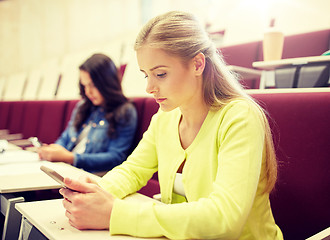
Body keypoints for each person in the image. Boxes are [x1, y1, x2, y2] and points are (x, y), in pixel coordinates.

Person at [59, 11, 283, 239]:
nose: (149, 88)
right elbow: (133, 170)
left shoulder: (240, 117)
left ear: (197, 64)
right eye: (146, 75)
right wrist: (94, 193)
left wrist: (114, 213)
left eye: (161, 74)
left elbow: (224, 218)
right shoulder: (165, 116)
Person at [38, 53, 137, 173]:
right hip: (67, 169)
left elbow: (116, 157)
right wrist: (54, 150)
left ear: (107, 83)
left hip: (91, 176)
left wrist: (71, 158)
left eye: (93, 85)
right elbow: (65, 137)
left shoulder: (125, 111)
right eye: (84, 85)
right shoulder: (83, 106)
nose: (88, 92)